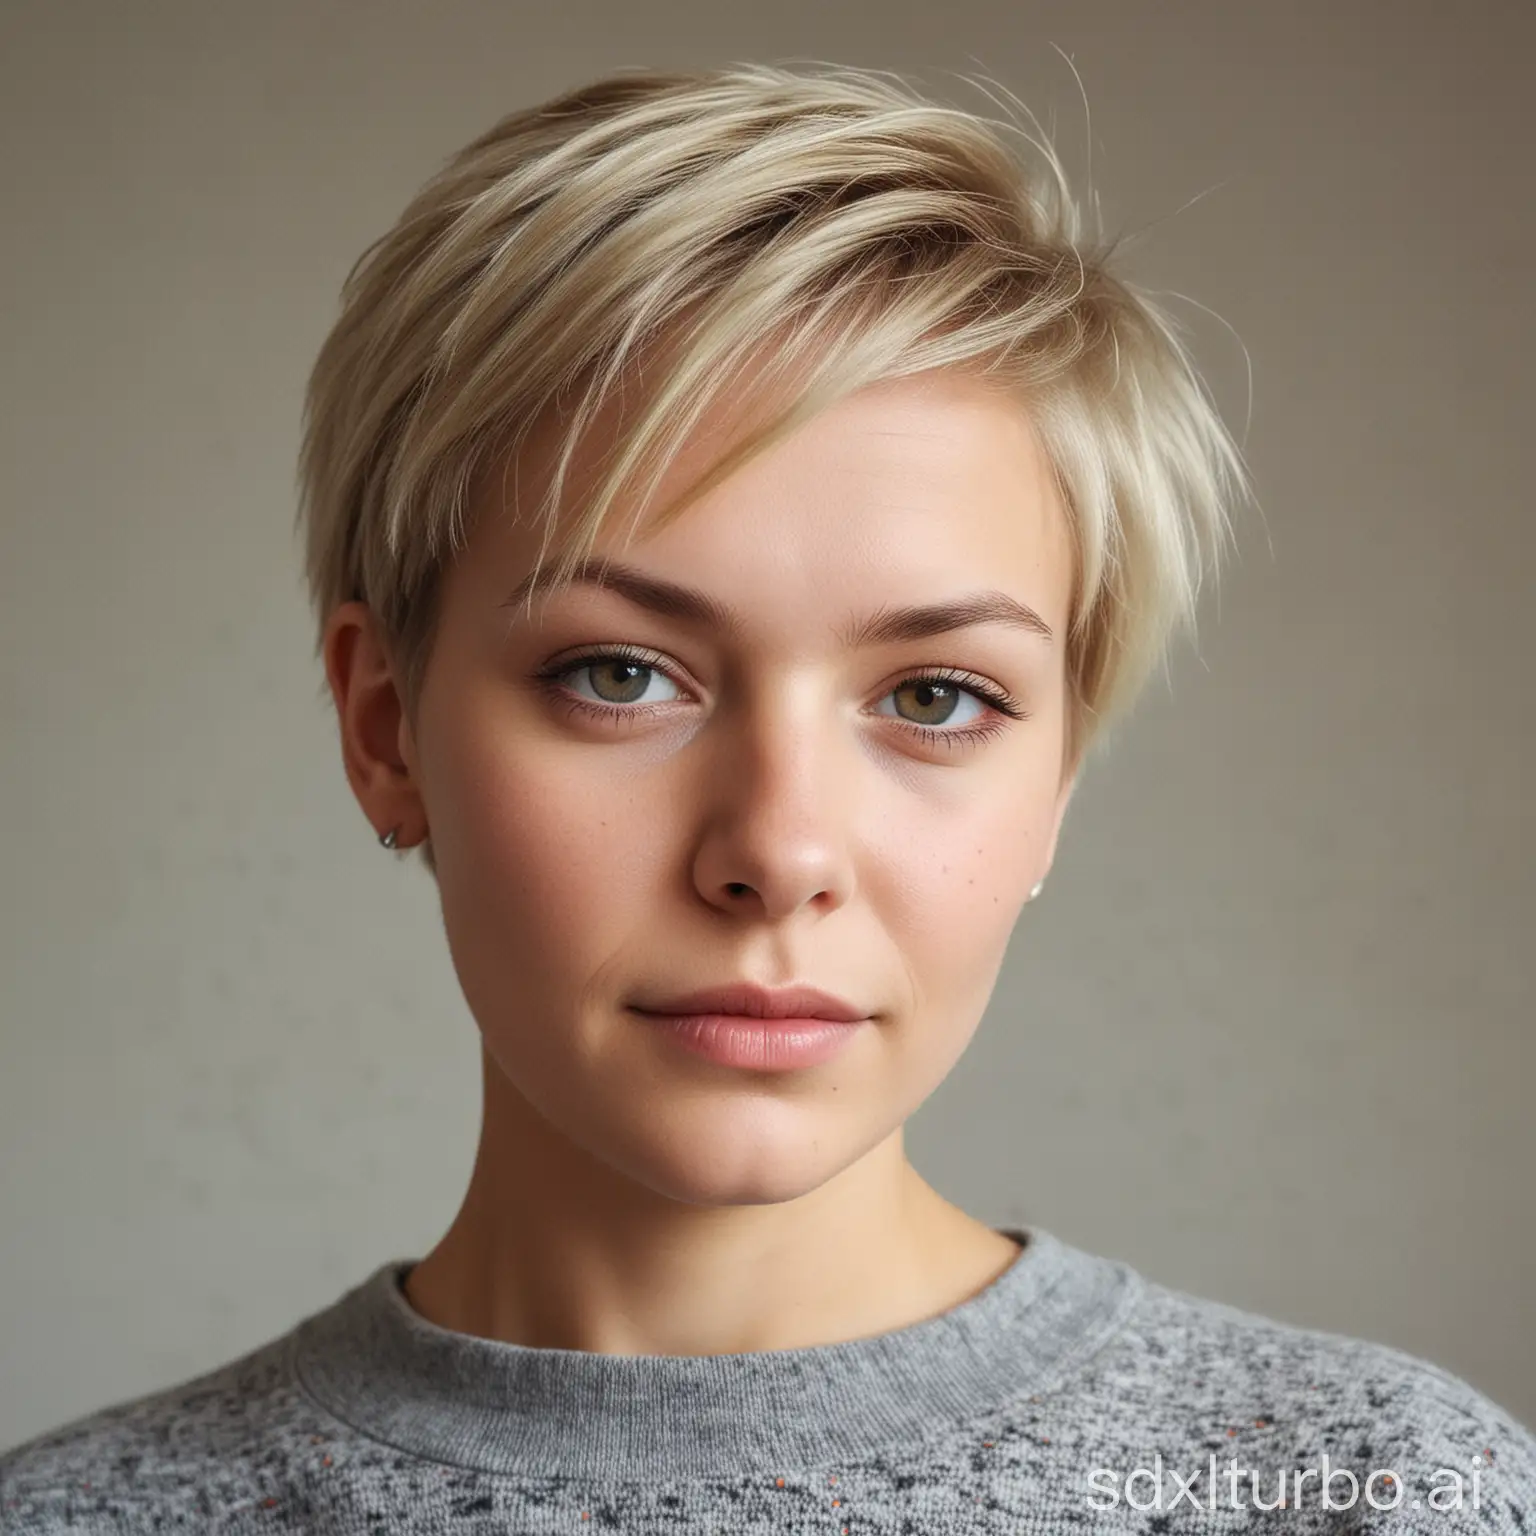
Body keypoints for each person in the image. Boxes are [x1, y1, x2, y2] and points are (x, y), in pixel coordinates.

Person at [3, 61, 1532, 1532]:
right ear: (385, 726)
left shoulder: (1384, 1494)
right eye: (619, 675)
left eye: (937, 698)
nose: (779, 853)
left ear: (1059, 772)